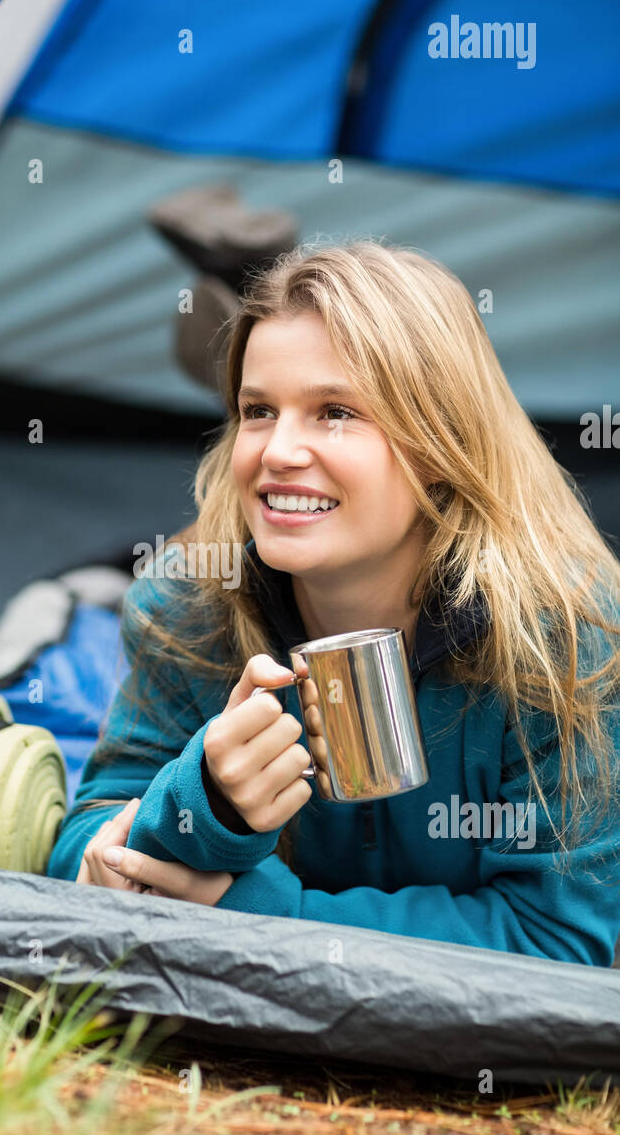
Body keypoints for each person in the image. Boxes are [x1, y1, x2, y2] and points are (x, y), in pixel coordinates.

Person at [46, 240, 620, 966]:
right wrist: (203, 807)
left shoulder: (564, 638)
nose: (278, 449)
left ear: (441, 441)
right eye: (258, 410)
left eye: (336, 412)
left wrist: (265, 917)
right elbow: (89, 830)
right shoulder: (190, 603)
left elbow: (556, 942)